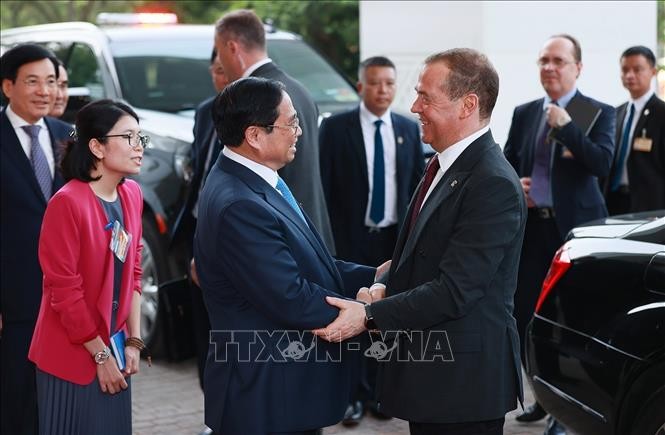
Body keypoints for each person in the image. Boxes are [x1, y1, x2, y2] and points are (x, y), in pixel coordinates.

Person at [314, 48, 527, 435]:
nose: (414, 107)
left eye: (426, 97)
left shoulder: (491, 182)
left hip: (463, 388)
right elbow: (424, 253)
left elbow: (455, 290)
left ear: (468, 105)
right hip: (435, 381)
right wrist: (382, 284)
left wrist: (369, 316)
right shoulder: (443, 163)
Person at [194, 77, 380, 435]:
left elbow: (310, 263)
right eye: (291, 122)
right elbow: (290, 295)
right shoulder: (239, 204)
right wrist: (367, 313)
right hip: (268, 391)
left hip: (283, 388)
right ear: (254, 135)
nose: (299, 131)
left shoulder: (259, 179)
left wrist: (373, 276)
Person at [503, 34, 615, 435]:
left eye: (558, 61)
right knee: (525, 315)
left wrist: (568, 130)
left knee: (575, 319)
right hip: (534, 230)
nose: (549, 68)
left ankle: (566, 413)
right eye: (543, 60)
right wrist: (515, 183)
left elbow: (602, 164)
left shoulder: (596, 112)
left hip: (576, 234)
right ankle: (540, 396)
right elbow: (506, 163)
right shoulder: (525, 111)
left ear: (577, 68)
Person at [28, 99, 147, 435]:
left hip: (116, 353)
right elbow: (64, 292)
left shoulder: (132, 194)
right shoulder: (67, 203)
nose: (139, 147)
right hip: (72, 357)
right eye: (128, 138)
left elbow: (134, 272)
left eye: (141, 138)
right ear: (96, 146)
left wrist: (134, 342)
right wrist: (101, 356)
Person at [319, 55, 424, 424]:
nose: (383, 90)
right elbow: (325, 188)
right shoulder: (335, 128)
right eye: (376, 83)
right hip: (351, 241)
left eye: (390, 83)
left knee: (386, 317)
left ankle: (382, 392)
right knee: (352, 315)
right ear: (361, 86)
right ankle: (353, 396)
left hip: (393, 242)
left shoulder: (408, 129)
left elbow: (415, 188)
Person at [214, 9, 335, 252]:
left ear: (232, 48)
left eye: (218, 51)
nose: (218, 60)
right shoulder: (298, 89)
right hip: (311, 232)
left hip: (282, 240)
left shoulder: (253, 99)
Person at [0, 43, 72, 435]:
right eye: (32, 82)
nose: (45, 91)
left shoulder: (70, 136)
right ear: (8, 86)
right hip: (14, 301)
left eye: (50, 81)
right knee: (16, 401)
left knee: (60, 403)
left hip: (68, 299)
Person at [171, 48, 229, 401]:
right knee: (202, 327)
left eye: (227, 70)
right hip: (197, 228)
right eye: (216, 70)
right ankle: (211, 406)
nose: (221, 77)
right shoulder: (204, 111)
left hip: (226, 234)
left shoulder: (251, 114)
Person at [604, 45, 665, 214]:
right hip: (614, 201)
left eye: (637, 69)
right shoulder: (616, 113)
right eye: (625, 70)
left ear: (653, 72)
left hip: (650, 205)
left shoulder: (661, 113)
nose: (630, 75)